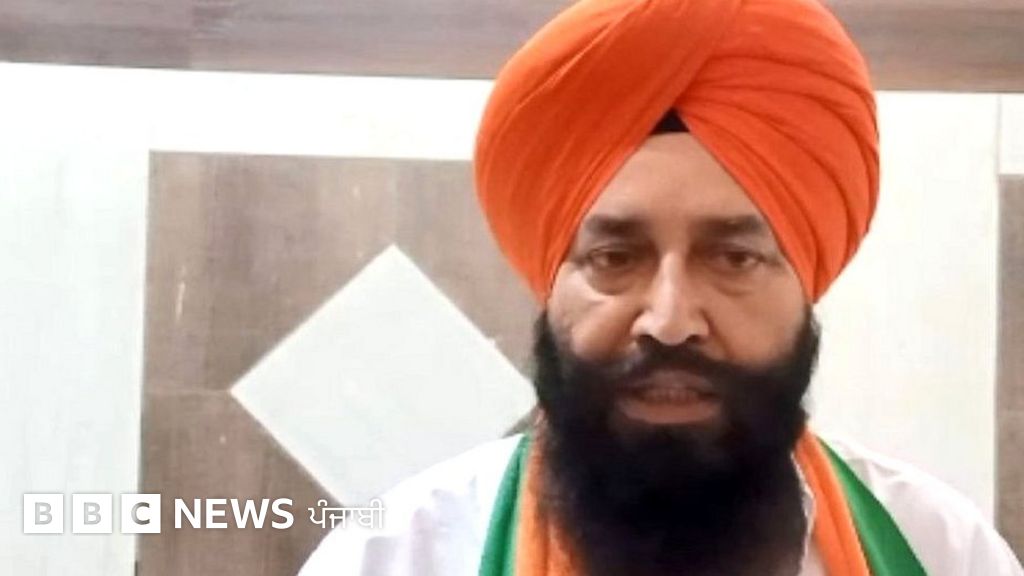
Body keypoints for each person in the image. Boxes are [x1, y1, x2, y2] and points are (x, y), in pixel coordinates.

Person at [299, 0, 1024, 574]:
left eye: (734, 259)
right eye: (615, 258)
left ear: (806, 285)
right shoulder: (397, 556)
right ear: (551, 283)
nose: (671, 320)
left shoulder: (943, 551)